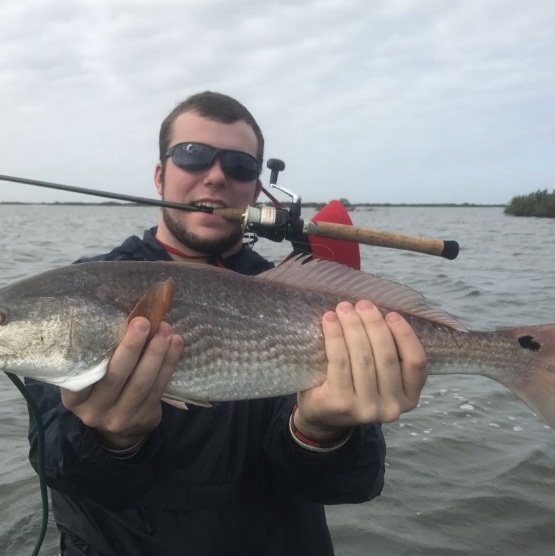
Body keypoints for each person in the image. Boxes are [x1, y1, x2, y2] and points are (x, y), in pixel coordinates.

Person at [24, 91, 428, 556]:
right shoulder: (80, 291)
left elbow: (351, 484)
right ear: (160, 175)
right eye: (192, 155)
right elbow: (56, 465)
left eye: (239, 166)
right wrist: (110, 441)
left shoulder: (303, 301)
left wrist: (322, 432)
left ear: (255, 191)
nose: (216, 176)